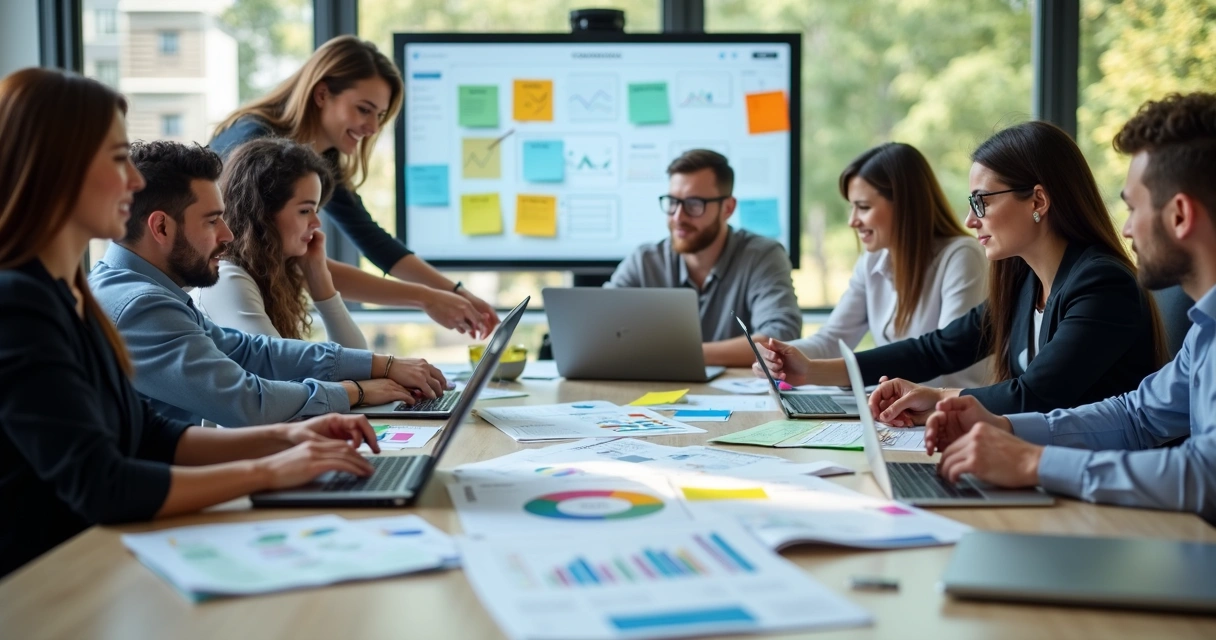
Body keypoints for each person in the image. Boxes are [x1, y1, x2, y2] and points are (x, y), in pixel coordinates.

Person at [0, 68, 384, 578]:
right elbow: (103, 484)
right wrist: (270, 469)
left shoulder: (72, 291)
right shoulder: (19, 305)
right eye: (118, 160)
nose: (135, 182)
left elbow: (149, 436)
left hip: (100, 564)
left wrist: (289, 439)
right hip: (48, 583)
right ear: (56, 169)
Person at [923, 93, 1216, 521]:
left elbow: (1204, 476)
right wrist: (1005, 427)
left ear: (1179, 216)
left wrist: (1032, 462)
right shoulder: (1203, 331)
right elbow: (1137, 415)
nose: (1128, 229)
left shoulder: (1100, 278)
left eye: (1134, 209)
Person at [755, 121, 1166, 423]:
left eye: (982, 202)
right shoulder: (1024, 279)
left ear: (1037, 200)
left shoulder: (1101, 284)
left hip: (1097, 484)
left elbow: (1035, 395)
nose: (971, 220)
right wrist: (811, 370)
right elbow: (935, 348)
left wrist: (935, 398)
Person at [90, 140, 446, 428]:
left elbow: (251, 351)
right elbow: (247, 403)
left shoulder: (148, 291)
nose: (226, 234)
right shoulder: (138, 305)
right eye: (212, 221)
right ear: (162, 228)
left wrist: (381, 365)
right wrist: (356, 391)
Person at [210, 35, 499, 339]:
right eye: (364, 109)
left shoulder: (316, 161)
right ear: (322, 94)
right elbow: (294, 259)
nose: (373, 128)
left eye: (380, 115)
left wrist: (455, 293)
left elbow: (374, 241)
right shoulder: (253, 150)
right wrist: (427, 298)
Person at [782, 143, 988, 388]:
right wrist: (782, 354)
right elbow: (832, 339)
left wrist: (817, 371)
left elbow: (944, 360)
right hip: (900, 410)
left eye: (864, 207)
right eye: (852, 207)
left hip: (947, 411)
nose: (852, 221)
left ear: (904, 205)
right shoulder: (872, 261)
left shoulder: (962, 256)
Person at [606, 149, 801, 367]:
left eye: (694, 204)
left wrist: (677, 355)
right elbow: (601, 325)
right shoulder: (645, 260)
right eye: (672, 202)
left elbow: (779, 338)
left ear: (727, 208)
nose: (678, 217)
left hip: (738, 397)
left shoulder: (762, 256)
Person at [191, 137, 366, 348]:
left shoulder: (269, 276)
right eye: (305, 211)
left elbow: (357, 358)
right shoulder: (228, 279)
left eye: (316, 210)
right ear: (262, 213)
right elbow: (283, 371)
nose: (316, 222)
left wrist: (319, 277)